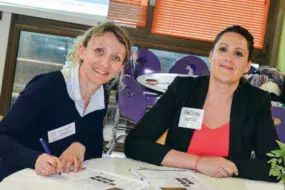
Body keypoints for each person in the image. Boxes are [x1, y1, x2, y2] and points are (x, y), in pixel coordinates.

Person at [124, 25, 279, 182]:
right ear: (211, 56)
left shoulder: (256, 101)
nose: (229, 58)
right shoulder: (182, 89)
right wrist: (198, 163)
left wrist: (223, 165)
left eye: (238, 53)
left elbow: (275, 167)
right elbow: (134, 143)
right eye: (223, 49)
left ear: (247, 66)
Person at [0, 22, 131, 181]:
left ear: (121, 66)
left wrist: (80, 145)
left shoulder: (101, 95)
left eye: (116, 58)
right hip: (16, 176)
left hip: (59, 181)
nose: (105, 63)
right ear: (82, 51)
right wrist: (34, 159)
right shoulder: (46, 86)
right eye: (99, 51)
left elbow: (94, 153)